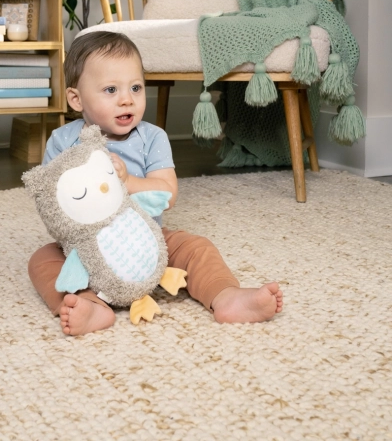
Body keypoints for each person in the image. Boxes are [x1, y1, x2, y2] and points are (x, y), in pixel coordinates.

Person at [28, 31, 283, 336]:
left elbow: (167, 194)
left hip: (147, 240)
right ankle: (90, 304)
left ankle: (226, 296)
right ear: (76, 99)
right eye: (111, 89)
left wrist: (127, 181)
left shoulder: (152, 137)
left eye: (135, 87)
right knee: (43, 260)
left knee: (196, 247)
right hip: (86, 249)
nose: (127, 99)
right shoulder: (62, 141)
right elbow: (53, 205)